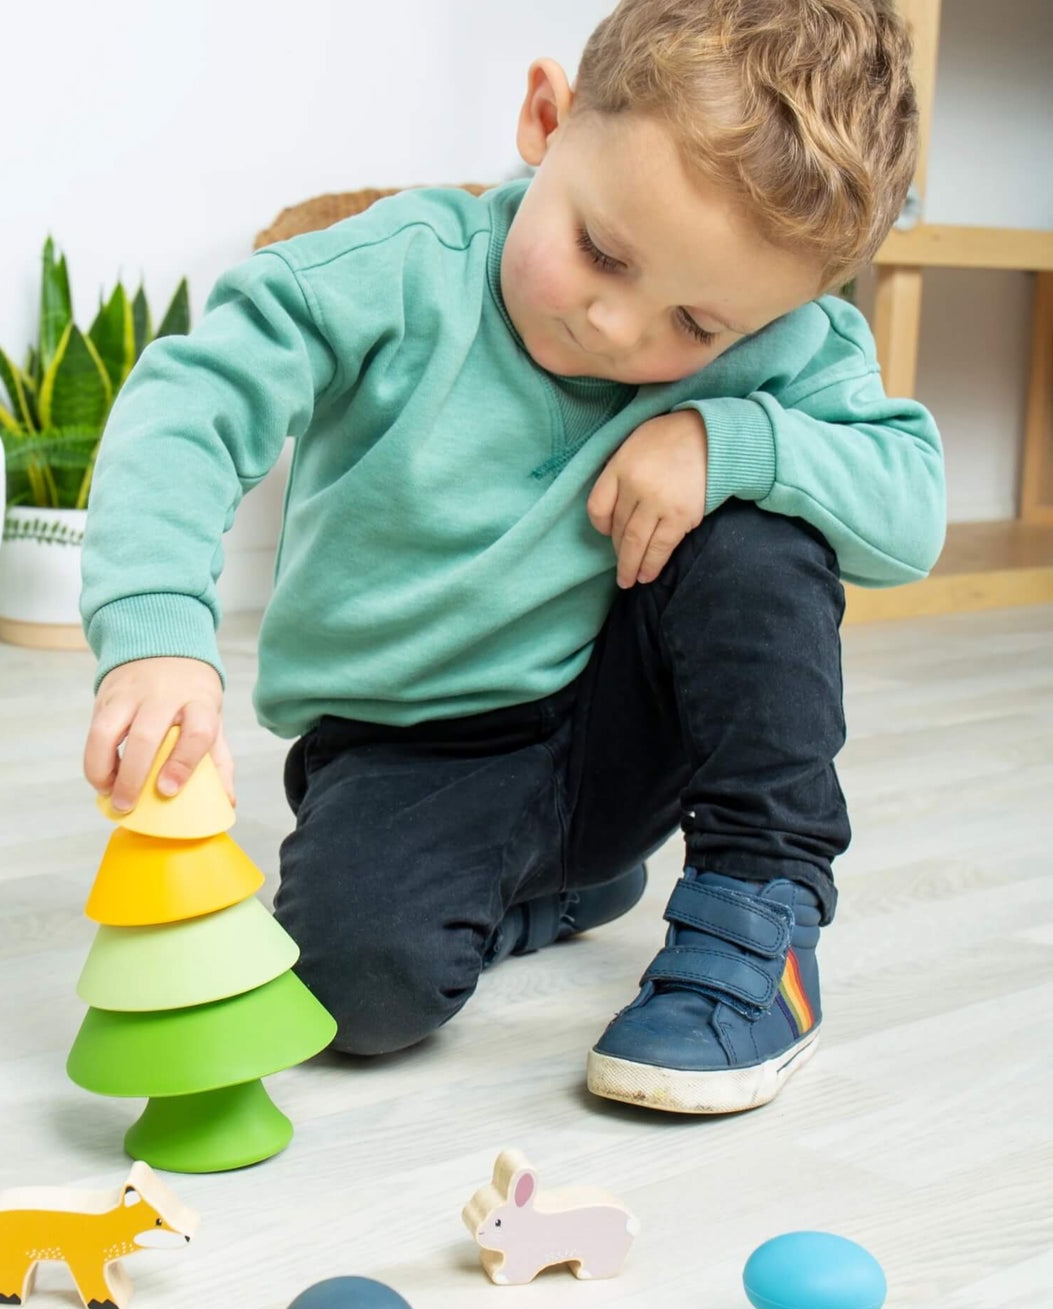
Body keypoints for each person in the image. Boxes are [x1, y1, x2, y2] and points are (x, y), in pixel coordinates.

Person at [80, 0, 945, 1114]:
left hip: (623, 721)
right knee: (348, 995)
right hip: (410, 745)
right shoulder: (397, 268)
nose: (619, 330)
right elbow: (191, 399)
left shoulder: (777, 336)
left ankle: (761, 903)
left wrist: (730, 437)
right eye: (600, 251)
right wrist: (154, 634)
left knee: (761, 533)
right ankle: (546, 891)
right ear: (547, 117)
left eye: (696, 324)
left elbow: (908, 509)